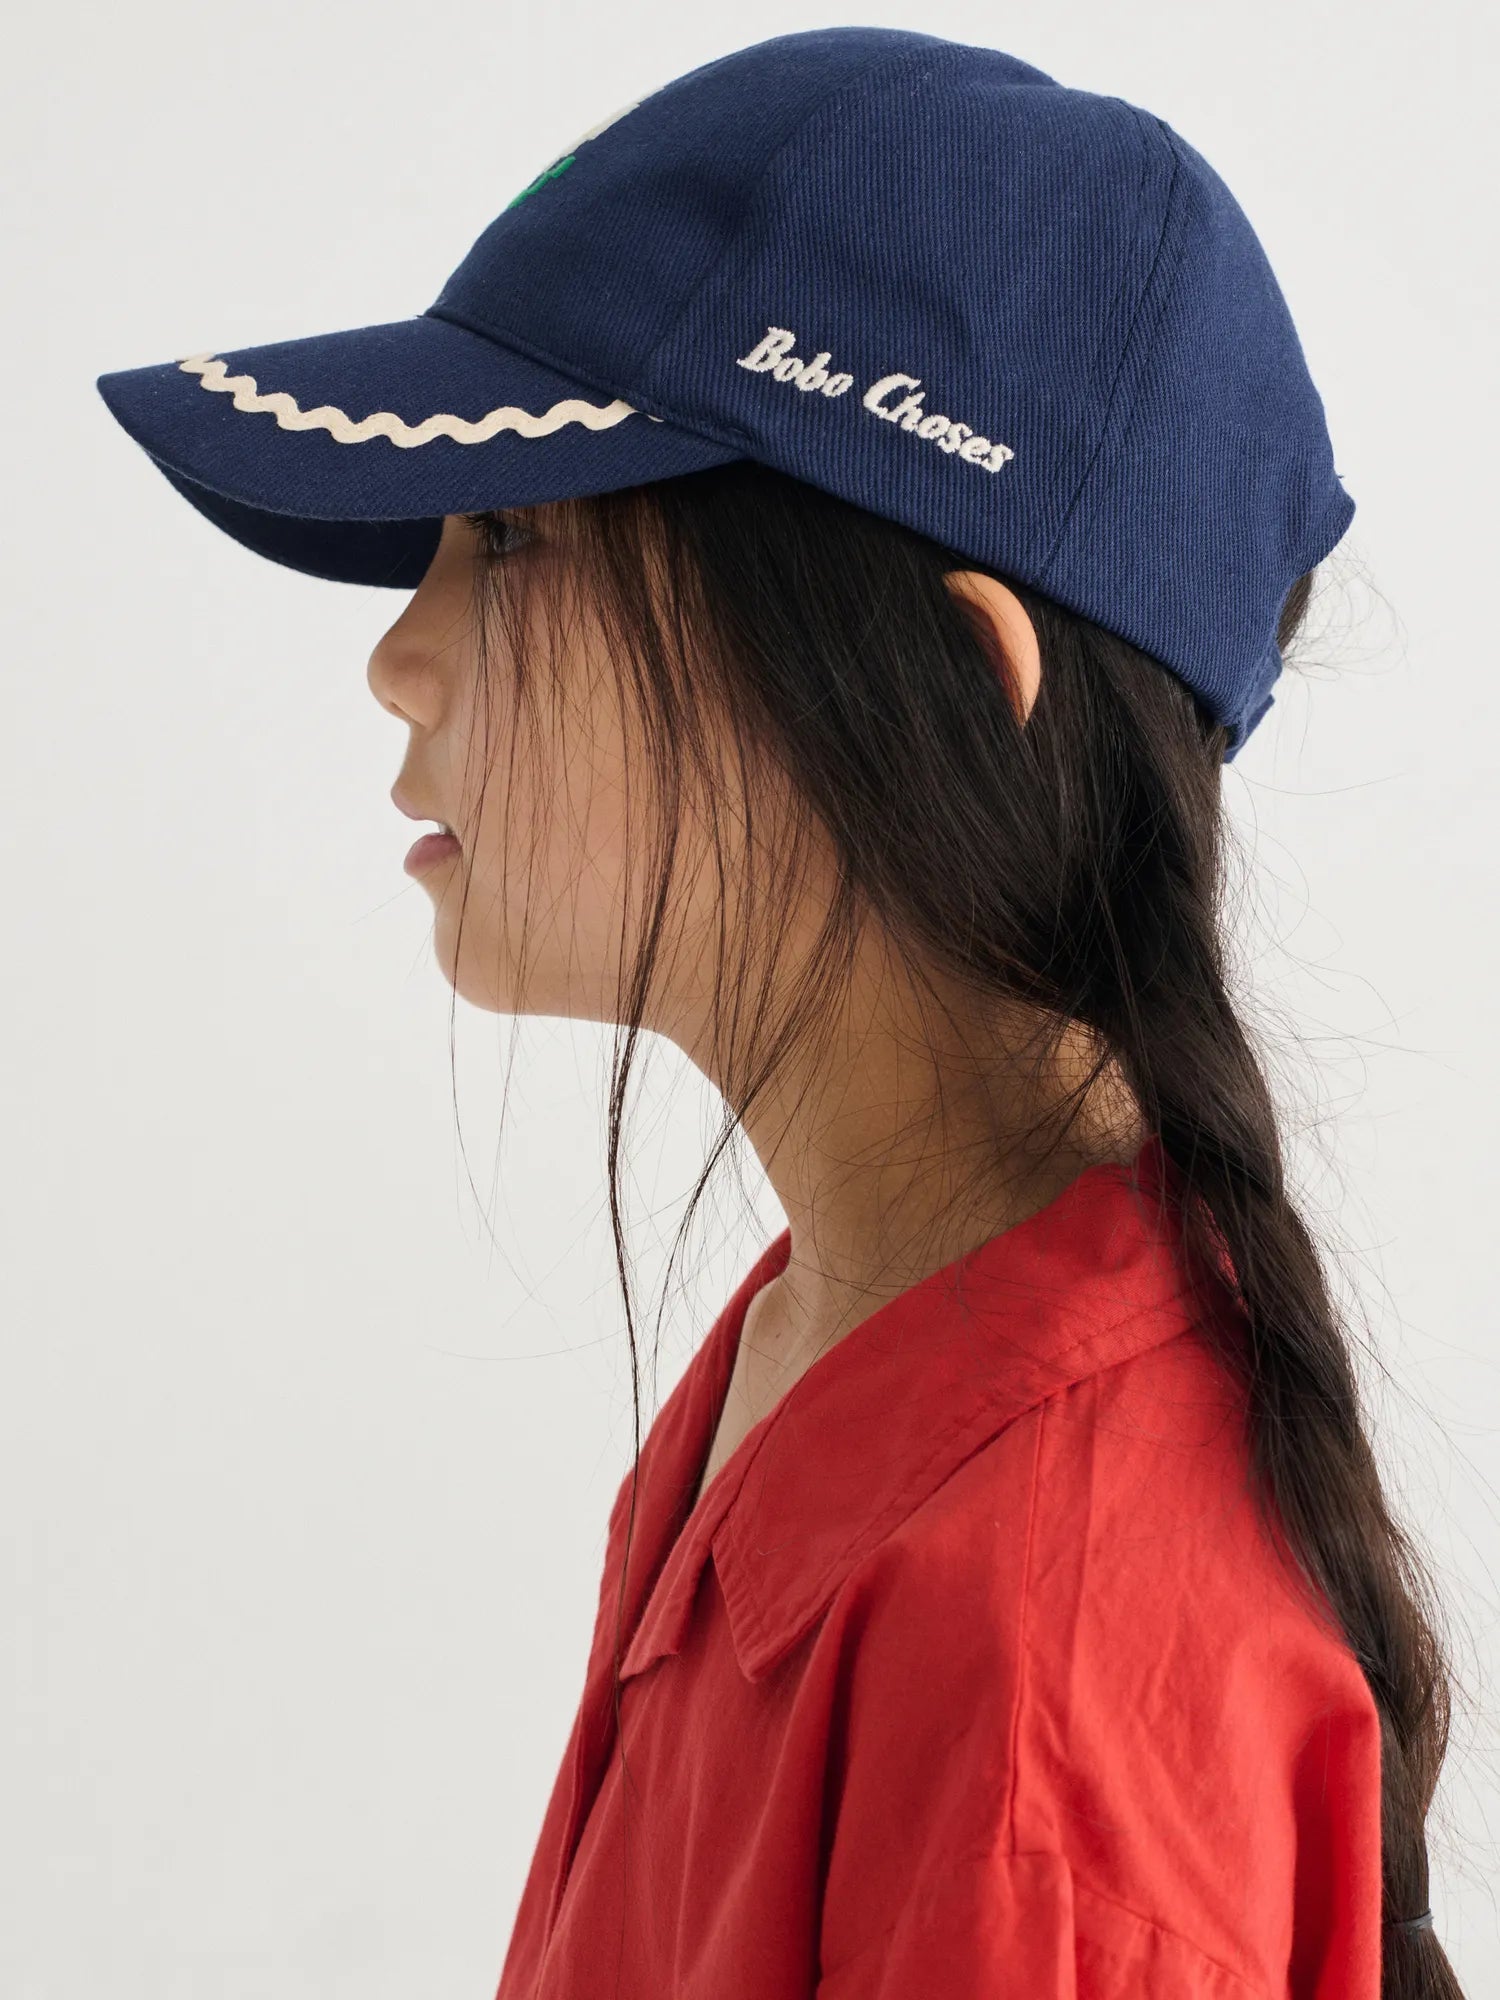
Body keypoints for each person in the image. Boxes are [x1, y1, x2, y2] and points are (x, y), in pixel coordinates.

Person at [93, 26, 1458, 1999]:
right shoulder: (830, 1342)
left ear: (945, 688)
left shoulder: (1037, 1687)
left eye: (515, 535)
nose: (399, 656)